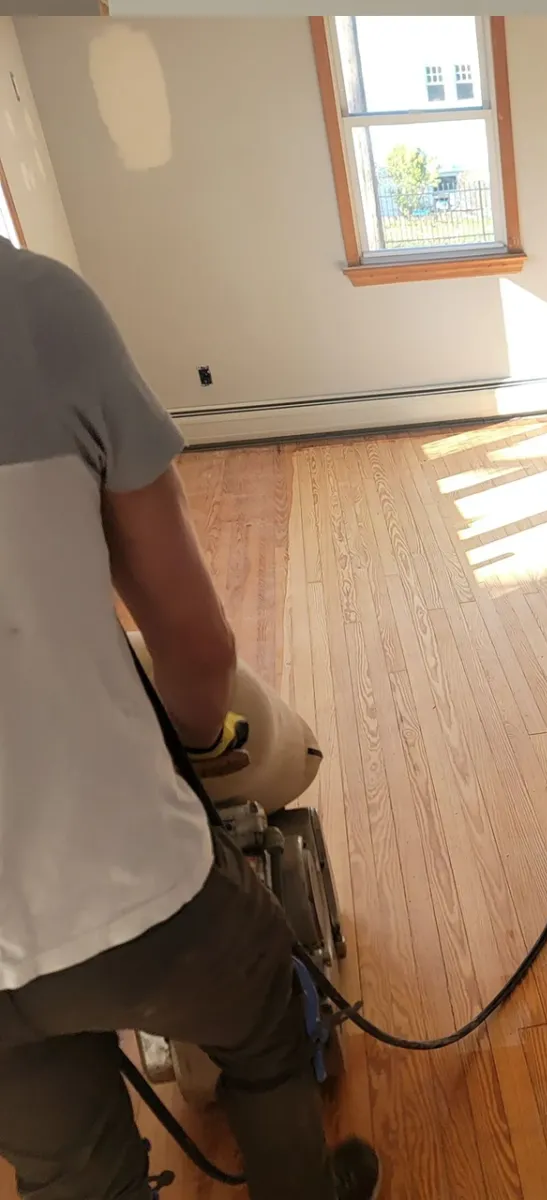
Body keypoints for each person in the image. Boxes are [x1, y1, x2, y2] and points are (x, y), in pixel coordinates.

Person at [0, 236, 381, 1200]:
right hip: (131, 887)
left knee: (68, 1171)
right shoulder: (39, 308)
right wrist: (205, 746)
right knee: (264, 1011)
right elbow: (196, 646)